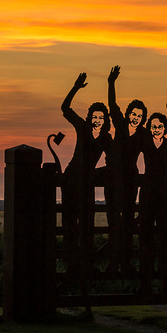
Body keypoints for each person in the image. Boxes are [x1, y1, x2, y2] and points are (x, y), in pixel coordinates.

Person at [61, 72, 112, 276]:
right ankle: (72, 265)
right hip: (72, 178)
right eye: (94, 116)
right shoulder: (82, 127)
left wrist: (100, 172)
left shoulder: (106, 138)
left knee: (87, 224)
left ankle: (88, 264)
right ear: (90, 117)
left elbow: (112, 161)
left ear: (105, 119)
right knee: (69, 223)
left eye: (101, 117)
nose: (97, 120)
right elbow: (65, 109)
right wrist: (75, 87)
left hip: (87, 181)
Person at [106, 65, 147, 274]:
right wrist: (111, 83)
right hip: (114, 179)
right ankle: (114, 262)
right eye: (133, 113)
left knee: (129, 223)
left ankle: (127, 261)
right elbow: (112, 105)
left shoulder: (143, 135)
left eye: (139, 115)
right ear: (129, 113)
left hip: (131, 180)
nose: (135, 117)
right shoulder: (121, 125)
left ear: (143, 118)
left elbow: (153, 153)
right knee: (114, 221)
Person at [139, 112, 167, 295]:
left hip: (163, 195)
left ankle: (166, 283)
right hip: (147, 195)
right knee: (145, 241)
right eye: (153, 126)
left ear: (165, 128)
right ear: (149, 128)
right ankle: (145, 283)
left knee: (165, 241)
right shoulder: (145, 144)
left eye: (160, 126)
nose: (156, 129)